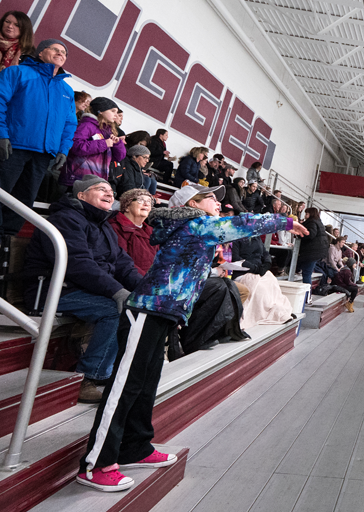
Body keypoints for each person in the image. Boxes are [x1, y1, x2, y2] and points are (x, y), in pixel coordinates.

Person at [76, 182, 308, 492]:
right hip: (147, 309)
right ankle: (95, 464)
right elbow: (239, 224)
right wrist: (284, 220)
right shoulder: (197, 224)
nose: (218, 203)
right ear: (194, 203)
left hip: (164, 312)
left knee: (145, 387)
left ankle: (135, 447)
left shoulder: (194, 228)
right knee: (124, 386)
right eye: (211, 198)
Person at [23, 175, 142, 404]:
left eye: (110, 190)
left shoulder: (103, 225)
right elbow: (78, 265)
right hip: (53, 291)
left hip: (83, 290)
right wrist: (117, 291)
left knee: (136, 304)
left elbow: (122, 264)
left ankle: (111, 368)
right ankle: (89, 376)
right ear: (81, 195)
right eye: (100, 189)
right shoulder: (65, 219)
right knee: (115, 309)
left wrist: (145, 289)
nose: (109, 193)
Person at [0, 38, 77, 234]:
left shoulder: (66, 90)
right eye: (56, 49)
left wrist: (63, 149)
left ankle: (6, 243)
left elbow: (70, 123)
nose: (61, 54)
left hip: (43, 154)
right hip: (13, 146)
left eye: (64, 52)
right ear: (41, 53)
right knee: (2, 192)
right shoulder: (17, 72)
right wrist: (1, 134)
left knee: (24, 201)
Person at [60, 97, 126, 190]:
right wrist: (104, 144)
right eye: (113, 111)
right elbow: (76, 146)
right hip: (78, 178)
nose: (116, 115)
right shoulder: (86, 125)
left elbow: (118, 157)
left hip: (95, 180)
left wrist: (117, 144)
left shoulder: (107, 131)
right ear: (101, 111)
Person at [109, 188, 157, 276]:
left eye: (149, 202)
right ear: (127, 206)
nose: (146, 204)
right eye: (140, 200)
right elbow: (122, 263)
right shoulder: (115, 227)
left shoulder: (152, 231)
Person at [295, 206, 328, 285]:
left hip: (312, 252)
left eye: (306, 213)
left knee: (306, 273)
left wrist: (299, 234)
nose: (305, 216)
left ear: (310, 214)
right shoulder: (318, 222)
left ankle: (307, 294)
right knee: (307, 271)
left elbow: (310, 234)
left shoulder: (312, 222)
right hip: (317, 251)